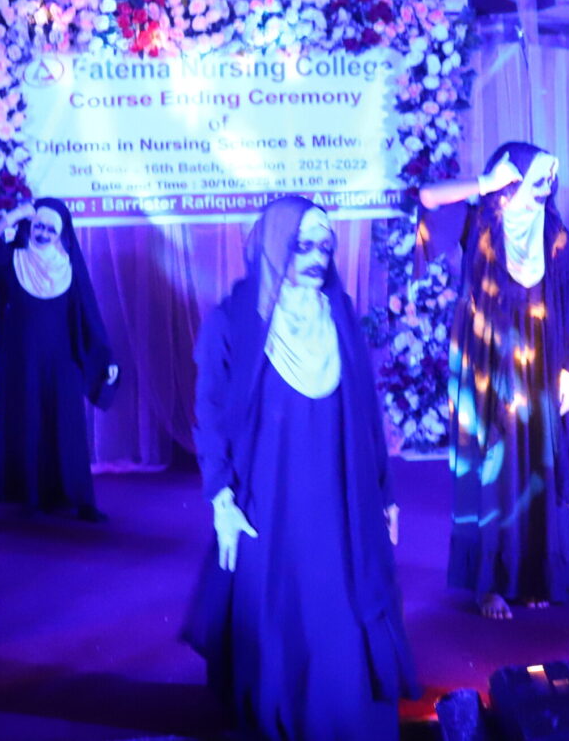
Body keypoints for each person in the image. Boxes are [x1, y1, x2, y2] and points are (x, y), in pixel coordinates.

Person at [182, 197, 419, 741]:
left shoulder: (339, 314)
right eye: (302, 246)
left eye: (324, 247)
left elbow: (366, 410)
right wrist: (221, 499)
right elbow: (210, 414)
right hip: (268, 498)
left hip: (340, 496)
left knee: (340, 605)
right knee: (278, 608)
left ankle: (342, 714)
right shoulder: (233, 321)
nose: (316, 258)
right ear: (274, 247)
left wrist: (383, 493)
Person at [419, 142, 569, 620]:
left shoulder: (555, 235)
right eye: (536, 180)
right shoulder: (480, 224)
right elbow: (428, 198)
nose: (545, 189)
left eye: (549, 181)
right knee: (493, 467)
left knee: (538, 468)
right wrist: (484, 184)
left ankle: (533, 576)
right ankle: (488, 584)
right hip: (486, 366)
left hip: (541, 365)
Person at [0, 198, 117, 519]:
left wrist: (104, 357)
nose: (42, 233)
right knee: (29, 423)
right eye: (38, 226)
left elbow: (89, 316)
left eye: (50, 229)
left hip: (62, 362)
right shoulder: (14, 258)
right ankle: (31, 498)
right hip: (21, 361)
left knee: (67, 427)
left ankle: (79, 499)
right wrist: (14, 215)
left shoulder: (69, 266)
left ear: (61, 233)